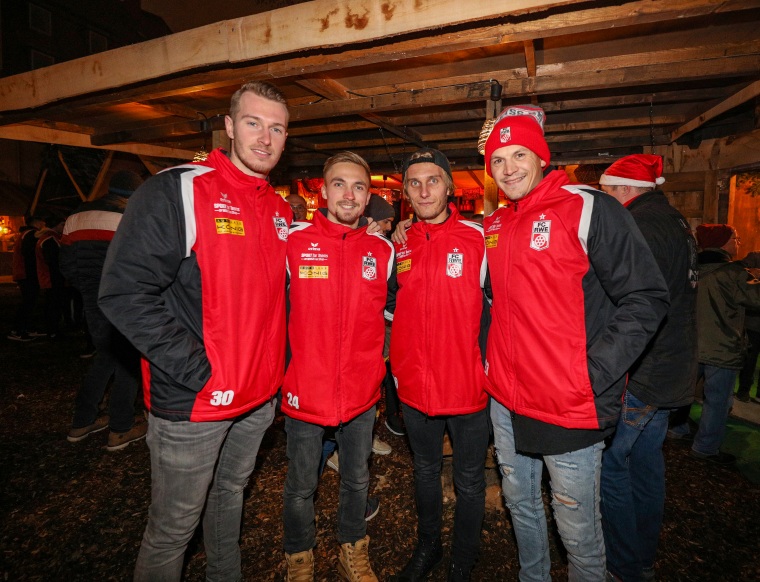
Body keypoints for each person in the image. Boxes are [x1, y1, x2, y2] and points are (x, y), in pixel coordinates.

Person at [98, 81, 291, 581]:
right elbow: (124, 292)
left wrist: (274, 376)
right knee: (172, 531)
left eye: (277, 128)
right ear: (228, 127)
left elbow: (271, 302)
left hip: (256, 400)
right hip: (196, 404)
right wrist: (198, 370)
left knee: (229, 500)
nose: (265, 139)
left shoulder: (279, 210)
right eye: (253, 123)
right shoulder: (178, 188)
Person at [482, 106, 670, 581]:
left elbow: (646, 296)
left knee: (578, 532)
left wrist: (591, 372)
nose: (509, 169)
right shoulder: (497, 226)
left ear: (541, 156)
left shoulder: (589, 207)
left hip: (568, 404)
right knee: (521, 508)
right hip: (506, 401)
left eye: (519, 154)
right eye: (498, 160)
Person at [282, 151, 394, 582]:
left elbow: (392, 312)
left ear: (368, 198)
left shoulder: (381, 252)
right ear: (323, 191)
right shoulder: (292, 242)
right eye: (340, 184)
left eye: (359, 187)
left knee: (356, 479)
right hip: (305, 388)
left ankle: (353, 548)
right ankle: (299, 556)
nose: (349, 194)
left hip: (362, 391)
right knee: (300, 486)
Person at [387, 148, 489, 582]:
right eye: (414, 182)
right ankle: (428, 546)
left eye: (433, 180)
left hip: (467, 386)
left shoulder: (480, 238)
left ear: (450, 186)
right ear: (406, 192)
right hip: (414, 386)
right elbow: (389, 304)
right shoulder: (400, 243)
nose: (424, 189)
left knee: (469, 480)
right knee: (425, 472)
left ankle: (463, 561)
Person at [596, 154, 699, 582]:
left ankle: (624, 564)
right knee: (645, 462)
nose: (603, 202)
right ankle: (642, 557)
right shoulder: (674, 221)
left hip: (643, 371)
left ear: (622, 190)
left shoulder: (638, 227)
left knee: (612, 465)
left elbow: (635, 306)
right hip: (672, 367)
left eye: (606, 193)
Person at [61, 171, 146, 451]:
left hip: (91, 296)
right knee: (129, 361)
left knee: (105, 356)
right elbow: (144, 262)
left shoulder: (76, 215)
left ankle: (82, 421)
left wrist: (85, 286)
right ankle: (120, 428)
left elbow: (66, 265)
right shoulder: (131, 215)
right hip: (124, 297)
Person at [683, 224, 760, 464]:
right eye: (735, 238)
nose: (738, 242)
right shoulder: (732, 273)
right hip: (721, 346)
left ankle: (676, 430)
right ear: (724, 242)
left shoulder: (690, 267)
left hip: (690, 344)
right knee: (717, 401)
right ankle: (706, 447)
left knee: (684, 393)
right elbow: (756, 298)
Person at [8, 215, 45, 341]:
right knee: (28, 302)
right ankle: (18, 330)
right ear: (37, 222)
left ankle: (25, 328)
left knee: (29, 302)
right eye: (42, 221)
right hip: (27, 274)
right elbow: (29, 254)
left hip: (24, 273)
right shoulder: (31, 234)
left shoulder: (24, 233)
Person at [35, 215, 67, 339]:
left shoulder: (48, 237)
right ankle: (53, 330)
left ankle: (52, 329)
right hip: (52, 278)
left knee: (51, 304)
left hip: (50, 277)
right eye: (62, 225)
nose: (64, 227)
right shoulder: (50, 239)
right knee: (53, 304)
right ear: (56, 225)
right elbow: (52, 260)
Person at [736, 251, 760, 403]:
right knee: (750, 358)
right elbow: (740, 272)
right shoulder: (755, 257)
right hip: (754, 321)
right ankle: (743, 390)